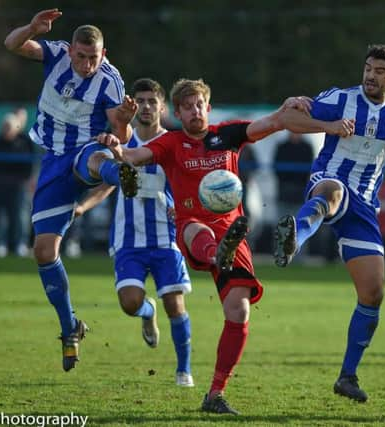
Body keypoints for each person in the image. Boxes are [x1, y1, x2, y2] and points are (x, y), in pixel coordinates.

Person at [97, 78, 353, 414]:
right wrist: (116, 149)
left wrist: (295, 112)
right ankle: (216, 254)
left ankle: (215, 394)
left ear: (208, 107)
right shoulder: (171, 143)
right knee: (195, 229)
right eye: (187, 107)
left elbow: (275, 123)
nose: (195, 111)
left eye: (200, 104)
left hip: (231, 231)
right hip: (192, 229)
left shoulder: (227, 135)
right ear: (177, 112)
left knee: (239, 311)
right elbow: (135, 155)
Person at [273, 44, 385, 402]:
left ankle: (347, 377)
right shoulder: (340, 99)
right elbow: (287, 120)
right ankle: (295, 234)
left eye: (379, 71)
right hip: (329, 179)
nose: (370, 75)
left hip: (365, 207)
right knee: (331, 195)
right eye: (368, 68)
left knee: (373, 294)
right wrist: (328, 126)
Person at [4, 8, 139, 372]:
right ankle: (70, 327)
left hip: (89, 148)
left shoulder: (110, 81)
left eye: (93, 58)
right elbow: (12, 45)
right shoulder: (55, 54)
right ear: (70, 51)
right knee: (44, 251)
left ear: (104, 55)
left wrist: (123, 125)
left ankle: (119, 176)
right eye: (81, 56)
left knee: (95, 160)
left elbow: (122, 137)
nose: (86, 64)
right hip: (52, 159)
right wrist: (32, 26)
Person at [77, 78, 194, 387]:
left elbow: (188, 185)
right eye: (139, 101)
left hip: (167, 238)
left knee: (175, 305)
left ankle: (184, 370)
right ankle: (146, 311)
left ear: (162, 107)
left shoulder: (173, 144)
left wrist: (183, 208)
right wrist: (81, 208)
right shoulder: (123, 144)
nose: (145, 107)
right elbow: (106, 184)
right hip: (128, 239)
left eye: (151, 101)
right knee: (130, 302)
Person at [0, 112, 35, 257]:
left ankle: (18, 245)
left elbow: (27, 169)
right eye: (4, 127)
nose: (6, 130)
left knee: (18, 218)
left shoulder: (22, 147)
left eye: (9, 127)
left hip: (17, 189)